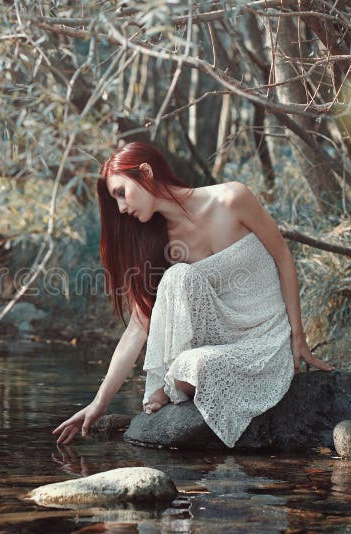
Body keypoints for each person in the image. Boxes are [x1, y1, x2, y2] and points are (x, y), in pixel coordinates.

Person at [53, 142, 334, 447]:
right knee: (180, 288)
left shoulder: (232, 198)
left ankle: (175, 386)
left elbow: (283, 257)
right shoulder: (160, 242)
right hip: (217, 347)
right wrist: (99, 403)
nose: (121, 208)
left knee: (195, 366)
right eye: (115, 200)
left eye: (121, 192)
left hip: (265, 341)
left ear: (145, 173)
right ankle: (173, 384)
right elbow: (138, 326)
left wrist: (298, 338)